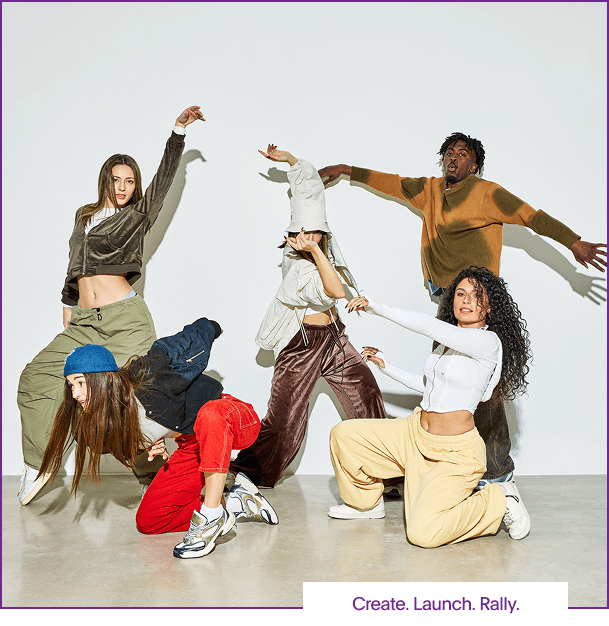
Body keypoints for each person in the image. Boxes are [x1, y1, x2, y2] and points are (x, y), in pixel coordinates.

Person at [318, 132, 606, 488]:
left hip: (481, 303)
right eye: (450, 153)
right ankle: (445, 463)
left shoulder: (486, 194)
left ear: (474, 164)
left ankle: (498, 472)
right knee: (444, 378)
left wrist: (573, 241)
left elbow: (531, 217)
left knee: (485, 388)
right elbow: (391, 182)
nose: (454, 158)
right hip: (449, 300)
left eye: (463, 154)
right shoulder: (430, 190)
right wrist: (346, 169)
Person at [17, 106, 204, 505]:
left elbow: (164, 181)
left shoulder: (137, 215)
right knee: (36, 377)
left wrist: (177, 134)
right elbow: (74, 264)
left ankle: (156, 478)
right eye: (116, 179)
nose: (122, 187)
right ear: (105, 179)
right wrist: (68, 304)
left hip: (125, 322)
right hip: (85, 321)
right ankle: (39, 461)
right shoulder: (83, 215)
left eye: (129, 181)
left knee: (136, 403)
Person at [38, 317, 279, 560]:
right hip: (194, 444)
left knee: (209, 414)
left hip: (232, 418)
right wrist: (150, 441)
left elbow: (186, 339)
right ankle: (235, 501)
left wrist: (212, 327)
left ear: (105, 379)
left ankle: (211, 516)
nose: (75, 393)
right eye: (71, 385)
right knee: (150, 520)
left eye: (81, 382)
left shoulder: (148, 374)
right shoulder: (105, 423)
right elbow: (147, 425)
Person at [327, 266, 533, 548]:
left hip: (453, 453)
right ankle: (366, 505)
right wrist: (387, 367)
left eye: (477, 295)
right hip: (414, 435)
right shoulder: (447, 344)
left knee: (422, 534)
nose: (466, 300)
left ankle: (500, 500)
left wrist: (375, 307)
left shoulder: (487, 342)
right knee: (345, 435)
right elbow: (431, 386)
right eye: (460, 294)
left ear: (489, 306)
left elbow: (428, 325)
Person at [228, 145, 387, 488]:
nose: (309, 238)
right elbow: (335, 291)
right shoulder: (297, 264)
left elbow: (309, 192)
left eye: (316, 233)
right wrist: (313, 249)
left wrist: (290, 161)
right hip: (301, 345)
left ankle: (388, 474)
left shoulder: (320, 245)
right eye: (303, 234)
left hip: (334, 338)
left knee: (367, 394)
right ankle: (248, 473)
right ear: (291, 236)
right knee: (284, 421)